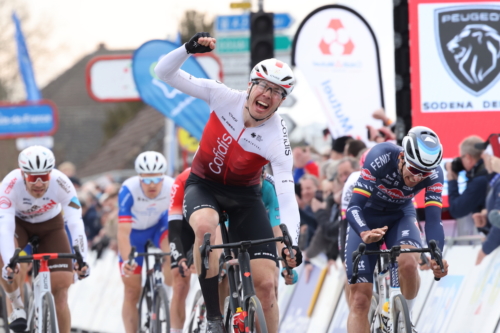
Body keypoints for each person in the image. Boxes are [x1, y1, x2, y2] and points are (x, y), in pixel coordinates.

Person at [154, 32, 301, 333]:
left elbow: (287, 196)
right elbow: (163, 73)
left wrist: (292, 243)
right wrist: (187, 50)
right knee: (206, 228)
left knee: (266, 287)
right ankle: (213, 318)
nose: (267, 95)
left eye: (277, 92)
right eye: (263, 85)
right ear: (250, 85)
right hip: (203, 186)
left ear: (282, 100)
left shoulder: (277, 137)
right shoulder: (222, 96)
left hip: (246, 199)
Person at [345, 127, 449, 332]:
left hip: (400, 215)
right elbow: (354, 206)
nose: (419, 177)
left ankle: (405, 322)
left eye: (425, 173)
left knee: (409, 263)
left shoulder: (435, 173)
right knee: (359, 299)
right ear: (402, 157)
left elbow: (434, 220)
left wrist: (438, 257)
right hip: (366, 216)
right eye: (414, 169)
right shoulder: (380, 156)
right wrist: (364, 231)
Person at [0, 146, 89, 333]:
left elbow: (75, 222)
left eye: (44, 176)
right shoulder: (9, 184)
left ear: (51, 173)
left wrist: (82, 259)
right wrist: (9, 262)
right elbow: (5, 227)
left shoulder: (62, 183)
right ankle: (16, 304)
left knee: (62, 292)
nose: (39, 183)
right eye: (33, 177)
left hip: (51, 226)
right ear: (23, 174)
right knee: (4, 260)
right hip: (19, 224)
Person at [117, 151, 174, 333]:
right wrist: (127, 261)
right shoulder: (128, 189)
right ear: (139, 177)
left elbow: (180, 224)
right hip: (134, 234)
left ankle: (163, 293)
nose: (152, 185)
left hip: (158, 227)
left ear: (163, 177)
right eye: (146, 180)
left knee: (172, 251)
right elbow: (123, 232)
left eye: (157, 179)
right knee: (132, 292)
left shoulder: (172, 187)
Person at [446, 136, 489, 234]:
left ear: (468, 157)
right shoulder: (487, 172)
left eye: (462, 157)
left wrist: (452, 180)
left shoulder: (480, 180)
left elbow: (457, 210)